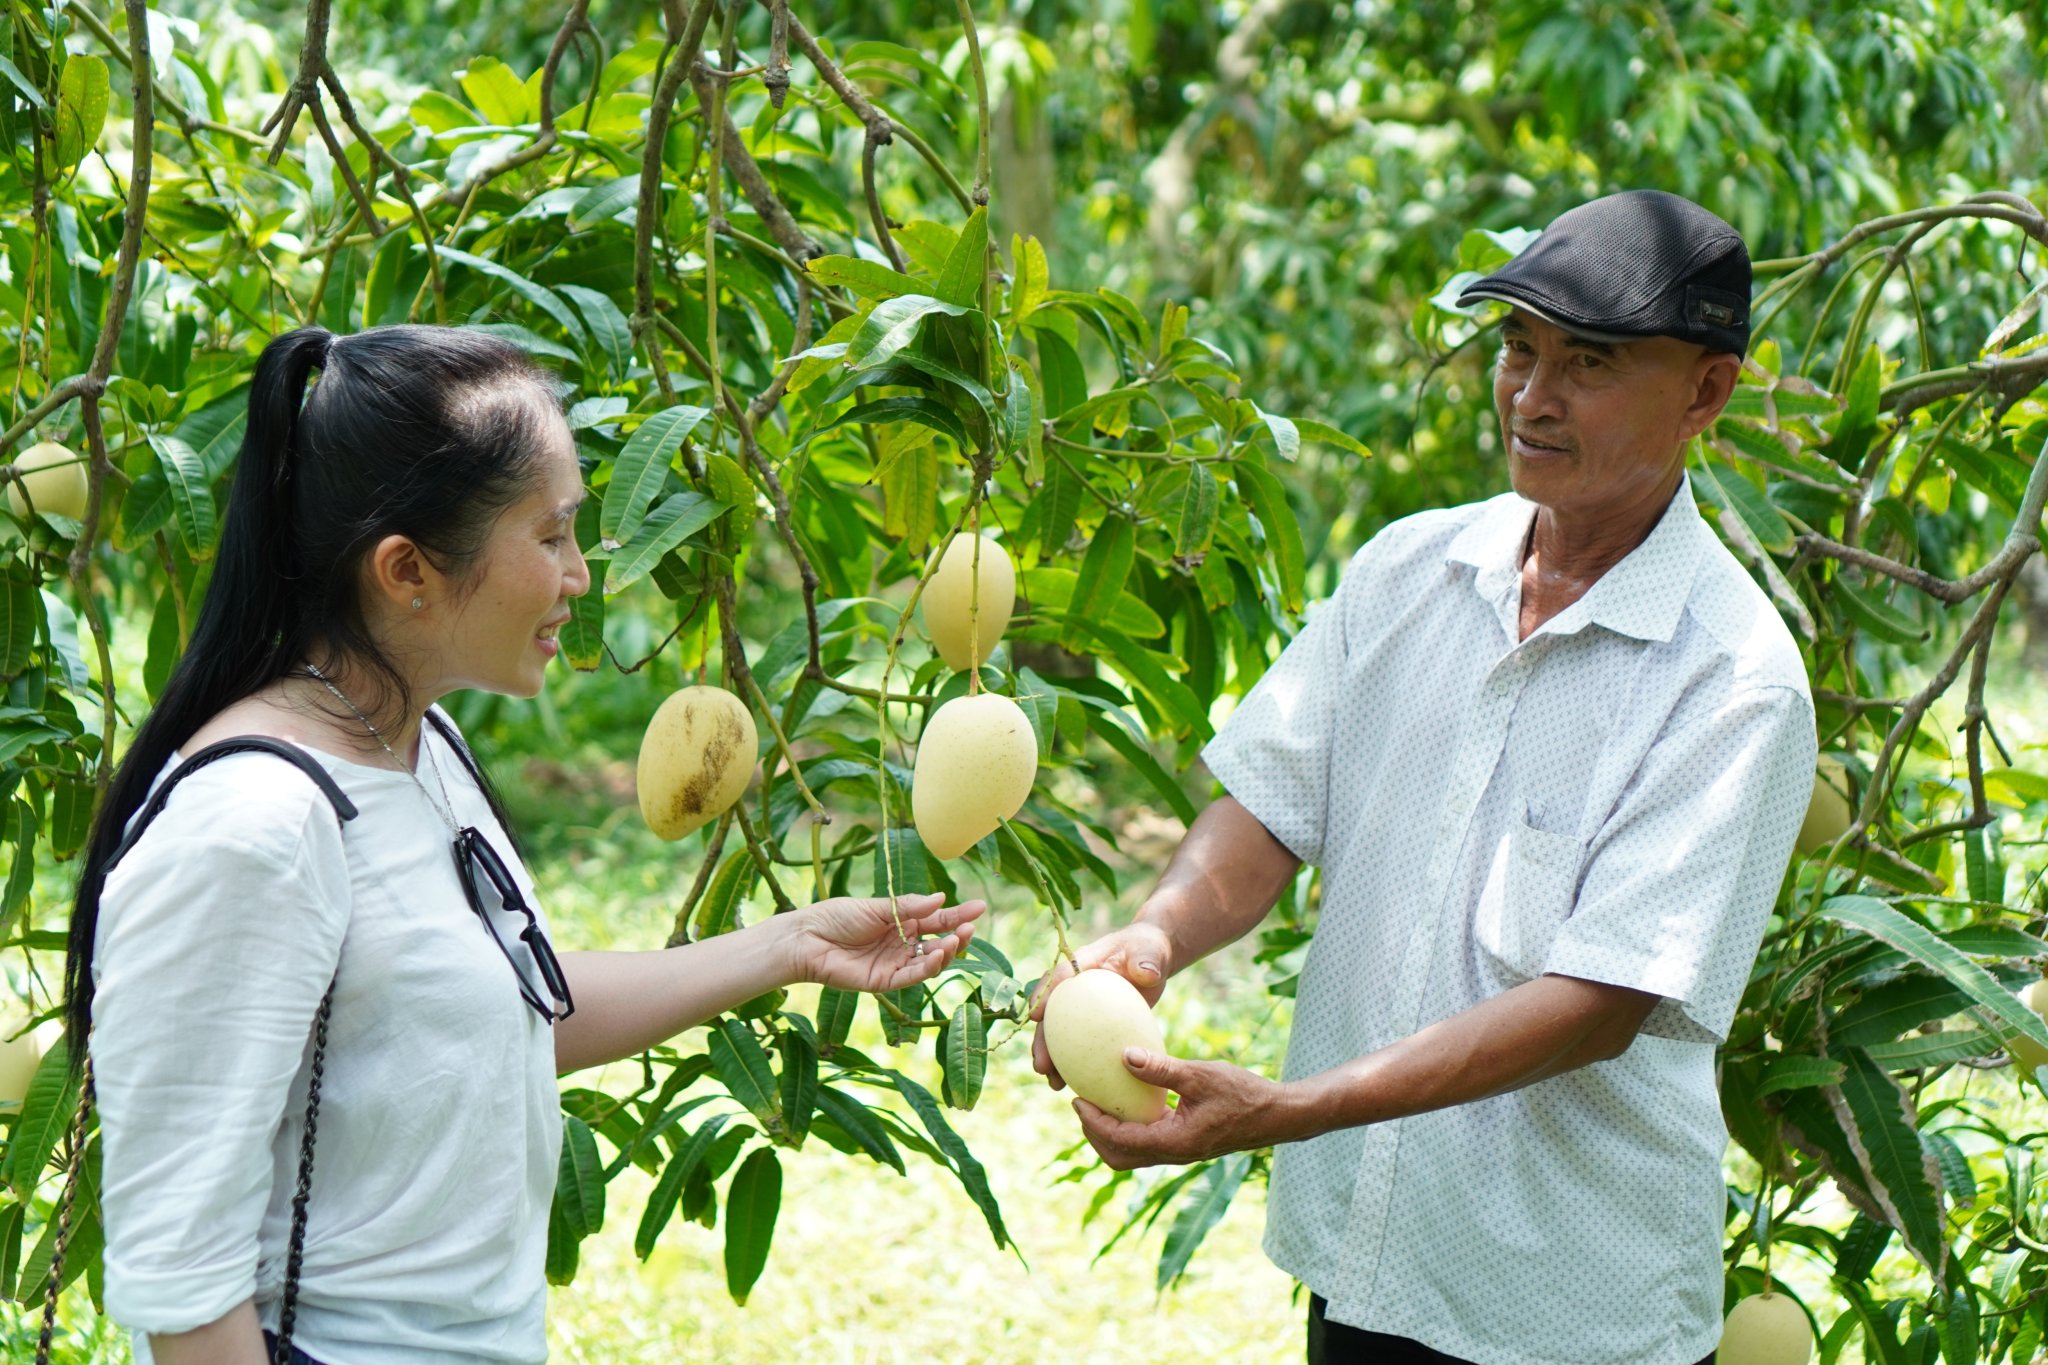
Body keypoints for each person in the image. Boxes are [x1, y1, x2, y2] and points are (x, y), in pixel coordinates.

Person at [63, 325, 984, 1365]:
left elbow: (502, 1020)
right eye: (549, 538)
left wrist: (788, 943)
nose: (581, 577)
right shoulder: (255, 832)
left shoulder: (419, 746)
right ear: (406, 569)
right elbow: (182, 1284)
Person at [1030, 190, 1816, 1364]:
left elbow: (1591, 1012)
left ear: (1706, 391)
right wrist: (1146, 945)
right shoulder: (1410, 570)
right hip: (1365, 1264)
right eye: (1516, 349)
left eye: (1587, 363)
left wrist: (1283, 1113)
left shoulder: (1733, 680)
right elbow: (1267, 812)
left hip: (1563, 1311)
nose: (1530, 397)